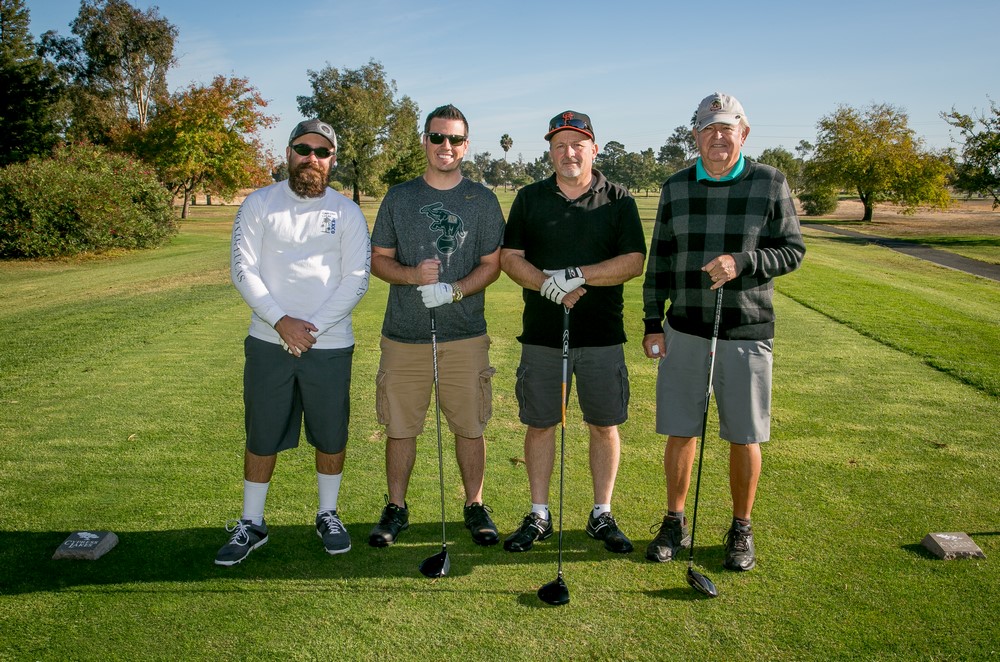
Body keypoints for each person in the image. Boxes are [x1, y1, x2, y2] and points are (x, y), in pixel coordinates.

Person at [641, 93, 806, 571]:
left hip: (747, 330)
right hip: (686, 329)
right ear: (695, 135)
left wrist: (745, 261)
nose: (717, 137)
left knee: (744, 435)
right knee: (680, 431)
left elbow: (793, 250)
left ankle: (741, 527)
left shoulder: (771, 183)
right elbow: (661, 262)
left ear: (744, 133)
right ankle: (674, 521)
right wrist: (654, 322)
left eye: (726, 128)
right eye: (708, 128)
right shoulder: (675, 187)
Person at [216, 119, 371, 566]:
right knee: (262, 433)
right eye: (304, 148)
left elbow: (356, 279)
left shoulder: (347, 213)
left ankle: (327, 514)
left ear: (333, 160)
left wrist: (310, 329)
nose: (312, 158)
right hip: (269, 340)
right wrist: (283, 323)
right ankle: (252, 522)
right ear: (288, 153)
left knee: (331, 432)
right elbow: (243, 270)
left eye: (322, 152)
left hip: (329, 343)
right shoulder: (259, 204)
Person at [500, 111, 646, 554]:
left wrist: (578, 275)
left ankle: (601, 514)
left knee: (604, 426)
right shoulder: (530, 198)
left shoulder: (618, 199)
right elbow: (510, 257)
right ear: (550, 151)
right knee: (541, 425)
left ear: (593, 148)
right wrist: (549, 285)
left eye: (577, 144)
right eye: (560, 145)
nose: (569, 152)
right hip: (544, 336)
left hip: (602, 337)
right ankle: (539, 514)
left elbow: (633, 261)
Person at [368, 104, 506, 548]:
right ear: (424, 140)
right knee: (401, 428)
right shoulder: (399, 196)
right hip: (405, 335)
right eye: (437, 137)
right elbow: (378, 259)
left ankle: (475, 505)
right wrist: (412, 276)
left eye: (455, 139)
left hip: (464, 335)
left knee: (470, 426)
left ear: (466, 145)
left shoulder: (482, 199)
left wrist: (456, 290)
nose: (445, 146)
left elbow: (493, 263)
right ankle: (396, 507)